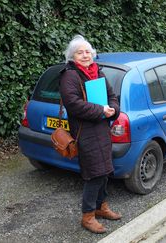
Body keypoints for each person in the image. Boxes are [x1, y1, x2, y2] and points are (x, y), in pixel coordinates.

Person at [59, 35, 121, 234]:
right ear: (72, 56)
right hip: (84, 131)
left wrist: (113, 109)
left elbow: (112, 96)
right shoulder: (70, 75)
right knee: (94, 174)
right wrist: (101, 111)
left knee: (105, 171)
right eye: (80, 52)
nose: (85, 55)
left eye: (87, 52)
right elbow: (73, 104)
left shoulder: (98, 72)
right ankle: (87, 216)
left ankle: (101, 207)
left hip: (102, 129)